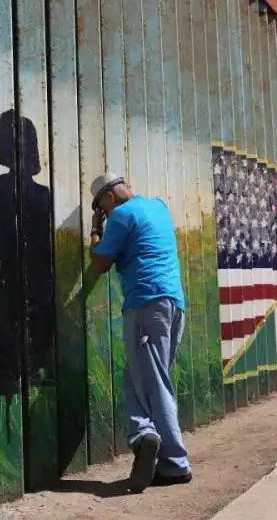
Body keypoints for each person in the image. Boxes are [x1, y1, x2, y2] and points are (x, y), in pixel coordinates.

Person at [89, 172, 192, 493]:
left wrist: (96, 230)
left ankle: (174, 463)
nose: (105, 214)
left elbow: (100, 262)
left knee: (153, 382)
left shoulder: (120, 216)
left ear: (108, 198)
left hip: (146, 305)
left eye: (101, 208)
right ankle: (143, 434)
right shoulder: (158, 207)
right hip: (174, 304)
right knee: (139, 377)